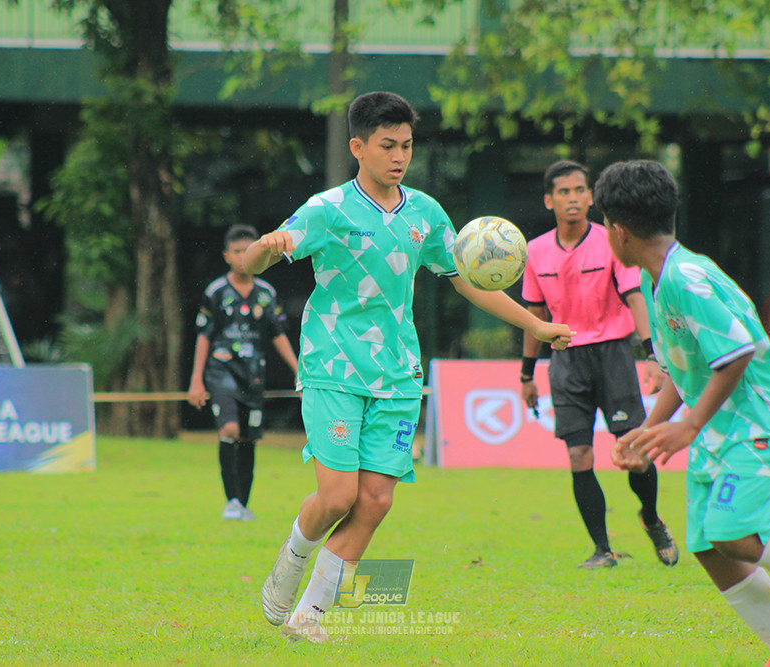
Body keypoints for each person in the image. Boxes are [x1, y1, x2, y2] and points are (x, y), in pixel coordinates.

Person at [242, 91, 575, 643]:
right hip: (333, 367)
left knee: (375, 501)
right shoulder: (327, 210)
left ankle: (309, 617)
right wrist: (264, 246)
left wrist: (534, 326)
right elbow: (257, 263)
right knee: (338, 497)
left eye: (407, 146)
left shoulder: (425, 213)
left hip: (398, 373)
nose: (400, 156)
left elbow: (466, 278)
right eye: (388, 145)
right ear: (358, 147)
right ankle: (292, 558)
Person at [596, 159, 770, 666]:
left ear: (619, 230)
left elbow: (737, 352)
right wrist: (649, 432)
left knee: (731, 532)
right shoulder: (663, 279)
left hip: (761, 415)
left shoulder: (686, 278)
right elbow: (684, 371)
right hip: (722, 425)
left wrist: (689, 426)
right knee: (710, 546)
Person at [519, 160, 677, 570]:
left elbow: (635, 297)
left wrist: (652, 354)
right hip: (566, 359)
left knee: (634, 452)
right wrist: (526, 373)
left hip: (614, 355)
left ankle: (651, 517)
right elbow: (534, 316)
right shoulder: (535, 251)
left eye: (580, 191)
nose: (573, 198)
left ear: (591, 197)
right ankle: (602, 550)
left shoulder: (611, 243)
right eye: (564, 192)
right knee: (579, 456)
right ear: (549, 200)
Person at [187, 224, 299, 521]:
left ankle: (243, 505)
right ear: (226, 256)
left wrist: (299, 369)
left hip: (254, 376)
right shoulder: (216, 292)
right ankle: (231, 501)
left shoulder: (267, 293)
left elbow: (277, 334)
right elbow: (204, 336)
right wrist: (196, 380)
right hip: (221, 371)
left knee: (249, 438)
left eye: (246, 251)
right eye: (236, 252)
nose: (241, 257)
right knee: (230, 430)